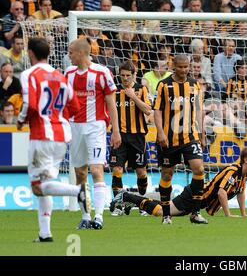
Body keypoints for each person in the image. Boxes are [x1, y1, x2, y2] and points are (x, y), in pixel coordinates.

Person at [16, 37, 88, 242]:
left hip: (41, 136)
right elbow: (74, 106)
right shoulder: (60, 76)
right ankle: (44, 233)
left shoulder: (29, 74)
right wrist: (57, 115)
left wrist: (21, 120)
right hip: (61, 136)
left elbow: (30, 103)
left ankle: (77, 190)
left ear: (30, 53)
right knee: (46, 183)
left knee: (38, 186)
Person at [65, 38, 121, 230]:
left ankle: (99, 216)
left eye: (71, 52)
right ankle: (85, 215)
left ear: (81, 53)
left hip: (95, 126)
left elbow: (111, 104)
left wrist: (116, 130)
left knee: (96, 170)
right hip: (74, 127)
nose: (69, 55)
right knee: (80, 173)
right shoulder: (69, 73)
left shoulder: (102, 72)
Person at [111, 147, 247, 218]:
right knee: (162, 212)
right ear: (246, 160)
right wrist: (229, 215)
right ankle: (128, 197)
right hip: (194, 195)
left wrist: (244, 213)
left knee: (165, 209)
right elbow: (221, 192)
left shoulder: (244, 174)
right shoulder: (233, 171)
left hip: (199, 201)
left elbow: (240, 192)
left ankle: (130, 199)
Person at [153, 54, 207, 225]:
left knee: (199, 169)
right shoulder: (164, 85)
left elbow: (198, 109)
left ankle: (196, 212)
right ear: (173, 66)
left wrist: (202, 132)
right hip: (169, 138)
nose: (184, 70)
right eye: (181, 67)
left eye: (186, 67)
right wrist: (160, 132)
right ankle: (166, 215)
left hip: (189, 136)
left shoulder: (194, 85)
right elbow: (157, 111)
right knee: (167, 174)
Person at [108, 61, 152, 216]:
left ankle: (142, 203)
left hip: (137, 137)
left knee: (141, 172)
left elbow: (148, 110)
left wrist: (133, 96)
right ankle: (118, 205)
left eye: (128, 75)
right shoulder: (114, 90)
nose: (125, 78)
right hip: (119, 135)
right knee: (117, 170)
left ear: (134, 75)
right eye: (123, 75)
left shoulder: (141, 89)